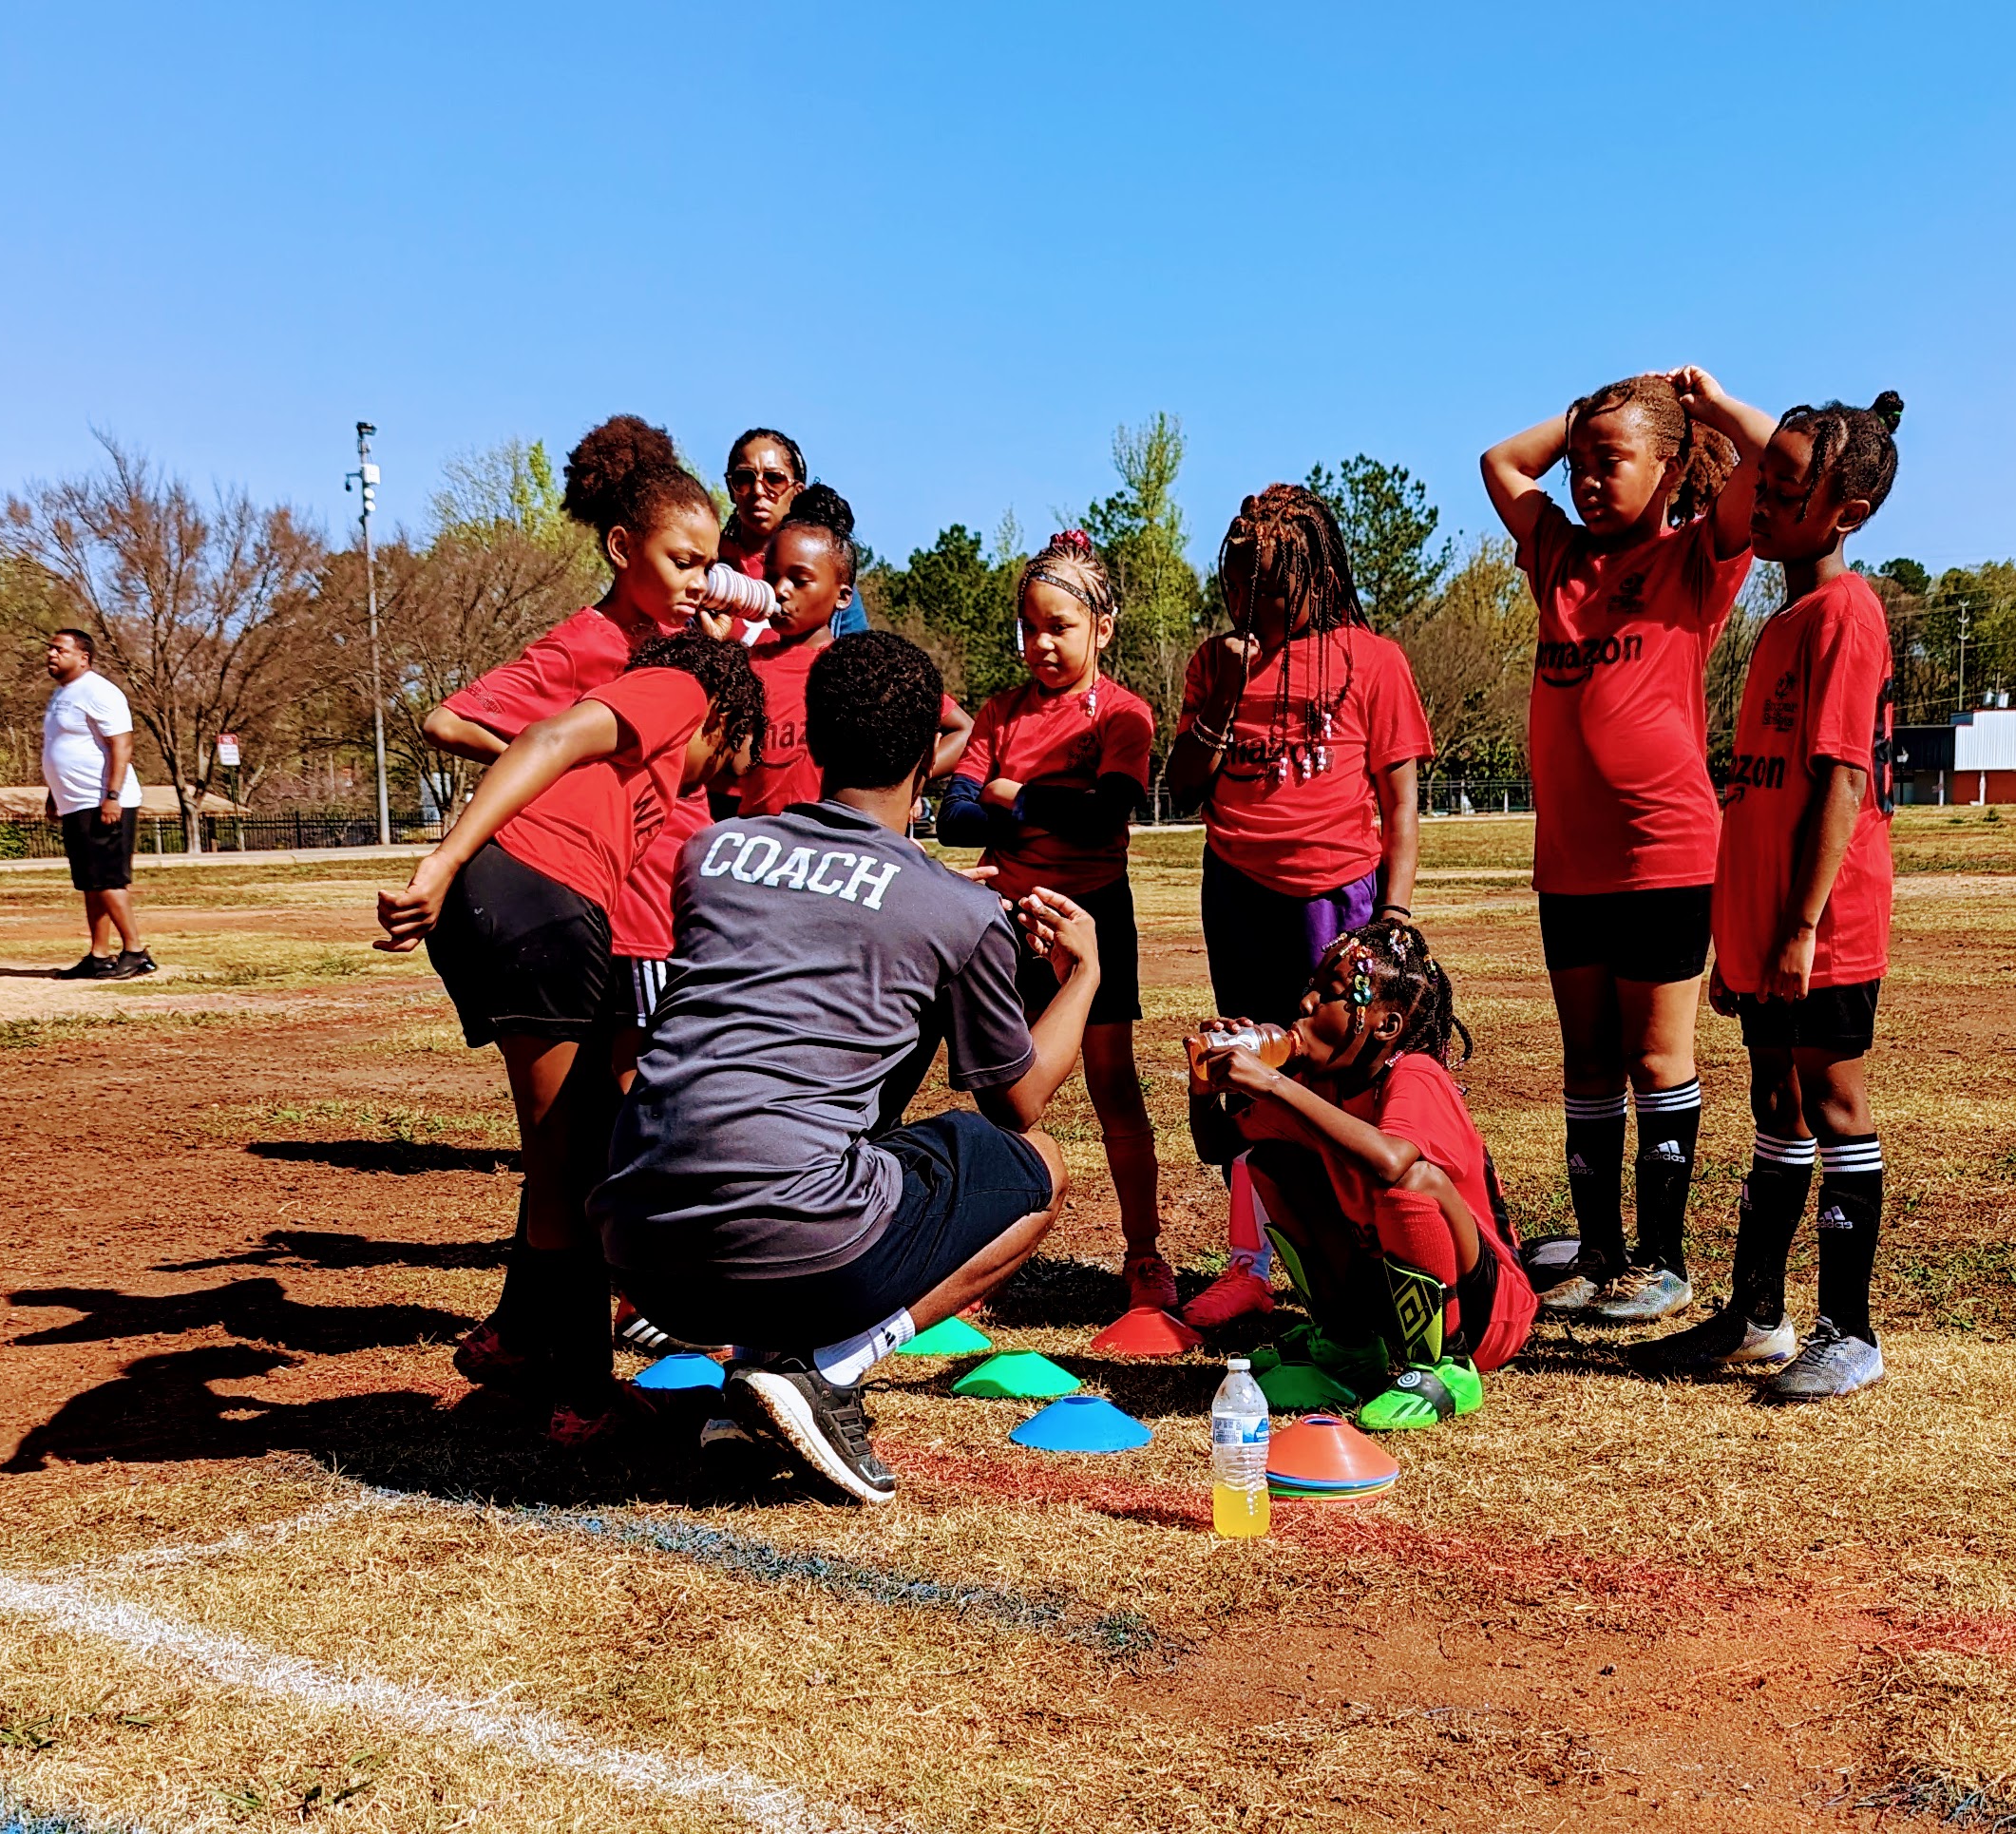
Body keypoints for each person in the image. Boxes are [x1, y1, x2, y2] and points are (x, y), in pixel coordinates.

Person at [595, 632, 1100, 1505]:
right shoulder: (956, 909)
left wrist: (928, 902)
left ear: (814, 741)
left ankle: (747, 1390)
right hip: (789, 1239)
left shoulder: (708, 857)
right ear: (925, 757)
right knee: (1042, 1170)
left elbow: (802, 957)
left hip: (639, 1248)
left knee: (813, 1117)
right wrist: (1084, 970)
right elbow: (1013, 1101)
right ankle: (828, 1369)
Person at [422, 416, 751, 1369]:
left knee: (592, 1135)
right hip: (603, 912)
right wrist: (563, 764)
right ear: (620, 548)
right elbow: (450, 718)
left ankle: (529, 1324)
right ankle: (583, 1335)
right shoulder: (589, 642)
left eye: (707, 561)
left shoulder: (682, 645)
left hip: (649, 906)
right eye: (683, 559)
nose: (699, 578)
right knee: (595, 1135)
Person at [378, 630, 762, 1442]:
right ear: (720, 718)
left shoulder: (638, 786)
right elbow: (546, 735)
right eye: (727, 762)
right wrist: (443, 862)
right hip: (534, 902)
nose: (715, 784)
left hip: (527, 909)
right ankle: (582, 1399)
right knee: (575, 1167)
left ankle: (524, 1346)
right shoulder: (677, 688)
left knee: (570, 1156)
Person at [1479, 372, 1764, 1327]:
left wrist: (1708, 403)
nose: (1588, 481)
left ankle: (1662, 1258)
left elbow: (1768, 464)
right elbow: (1499, 463)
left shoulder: (1694, 558)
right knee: (1587, 1062)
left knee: (1655, 1059)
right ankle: (1597, 1252)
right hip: (1569, 861)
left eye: (1614, 462)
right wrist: (1580, 420)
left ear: (1671, 469)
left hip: (1664, 855)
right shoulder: (1555, 555)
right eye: (1583, 465)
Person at [1637, 387, 1905, 1403]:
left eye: (1790, 485)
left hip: (1822, 925)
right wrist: (1734, 939)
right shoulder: (1786, 616)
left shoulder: (1847, 612)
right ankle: (1756, 1315)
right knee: (1776, 1103)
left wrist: (1797, 929)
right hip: (1759, 923)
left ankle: (1850, 1329)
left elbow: (1841, 778)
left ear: (1847, 511)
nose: (1768, 496)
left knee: (1834, 1106)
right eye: (1773, 478)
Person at [1163, 484, 1433, 1329]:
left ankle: (1359, 1255)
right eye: (1238, 584)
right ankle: (1251, 1262)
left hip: (1337, 896)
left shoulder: (1372, 659)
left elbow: (1399, 806)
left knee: (1333, 1077)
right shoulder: (1216, 661)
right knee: (1242, 1067)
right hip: (1235, 886)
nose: (1252, 602)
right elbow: (1180, 788)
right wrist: (1221, 693)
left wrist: (1392, 913)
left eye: (1271, 587)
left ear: (1314, 579)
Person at [936, 531, 1167, 1313]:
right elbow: (955, 817)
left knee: (1111, 1087)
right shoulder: (999, 710)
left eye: (1058, 627)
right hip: (1005, 921)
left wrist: (1009, 794)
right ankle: (974, 1261)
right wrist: (1020, 800)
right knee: (1001, 1096)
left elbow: (1103, 811)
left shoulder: (1124, 716)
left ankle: (1143, 1259)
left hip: (1093, 919)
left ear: (1102, 627)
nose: (1040, 644)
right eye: (1028, 627)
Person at [1186, 918, 1535, 1428]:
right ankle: (1347, 1346)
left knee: (1414, 1184)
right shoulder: (1315, 1082)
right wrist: (1205, 1088)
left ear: (1386, 1027)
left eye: (1330, 995)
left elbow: (1393, 1162)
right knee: (1274, 1162)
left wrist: (1275, 1086)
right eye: (1312, 987)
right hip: (1395, 1295)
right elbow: (1218, 1146)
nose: (1305, 1003)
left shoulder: (1413, 1073)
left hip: (1485, 1314)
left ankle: (1445, 1370)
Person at [729, 485, 969, 818]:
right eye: (771, 577)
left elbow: (964, 729)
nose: (780, 591)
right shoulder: (745, 664)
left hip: (839, 848)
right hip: (764, 850)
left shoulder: (862, 668)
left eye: (799, 580)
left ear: (843, 597)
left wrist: (902, 781)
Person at [40, 628, 154, 981]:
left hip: (102, 800)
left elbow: (122, 745)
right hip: (75, 802)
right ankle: (99, 956)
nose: (51, 654)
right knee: (90, 882)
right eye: (50, 649)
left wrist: (113, 796)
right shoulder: (62, 695)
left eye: (59, 649)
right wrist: (53, 794)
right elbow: (60, 748)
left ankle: (136, 953)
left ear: (83, 657)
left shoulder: (100, 691)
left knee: (108, 880)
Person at [715, 428, 868, 638]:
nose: (758, 490)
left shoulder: (829, 582)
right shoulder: (705, 566)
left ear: (797, 492)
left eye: (774, 479)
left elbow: (856, 659)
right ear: (731, 488)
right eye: (744, 478)